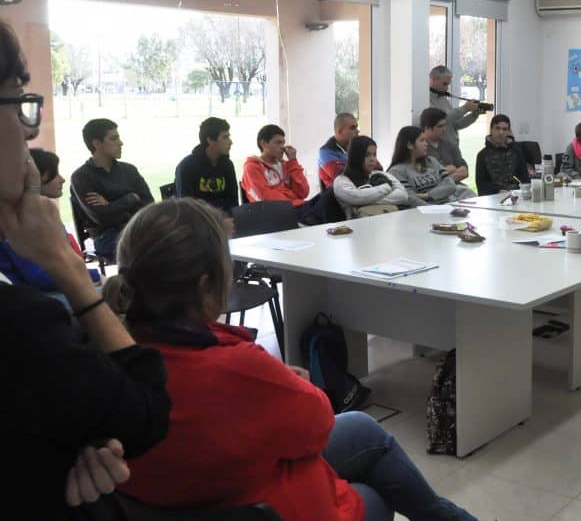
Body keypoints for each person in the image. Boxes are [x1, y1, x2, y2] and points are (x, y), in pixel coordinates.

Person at [112, 198, 476, 521]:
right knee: (374, 492)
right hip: (256, 504)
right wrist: (291, 384)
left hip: (201, 493)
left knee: (362, 429)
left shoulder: (103, 366)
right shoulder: (232, 366)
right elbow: (317, 422)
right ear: (206, 286)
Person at [0, 21, 171, 518]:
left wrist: (58, 444)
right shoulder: (21, 322)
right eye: (16, 99)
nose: (29, 129)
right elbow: (147, 415)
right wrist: (64, 264)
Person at [1, 148, 98, 291]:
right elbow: (39, 278)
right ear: (36, 177)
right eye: (54, 173)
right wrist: (93, 275)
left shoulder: (36, 214)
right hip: (28, 300)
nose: (62, 179)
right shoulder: (18, 219)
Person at [70, 118, 154, 261]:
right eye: (114, 138)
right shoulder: (81, 177)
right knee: (152, 247)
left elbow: (149, 205)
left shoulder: (129, 169)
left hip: (136, 228)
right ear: (96, 144)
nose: (121, 143)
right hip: (107, 236)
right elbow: (100, 218)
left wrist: (110, 205)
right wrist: (131, 198)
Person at [242, 124, 320, 223]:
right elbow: (265, 198)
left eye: (283, 143)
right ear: (264, 143)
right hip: (278, 214)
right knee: (326, 205)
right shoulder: (252, 167)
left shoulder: (286, 165)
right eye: (278, 143)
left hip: (298, 208)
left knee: (331, 194)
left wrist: (293, 161)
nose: (282, 147)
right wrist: (292, 198)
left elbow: (303, 192)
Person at [388, 126, 475, 206]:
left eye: (426, 140)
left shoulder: (432, 161)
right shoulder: (397, 171)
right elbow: (410, 198)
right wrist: (433, 208)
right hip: (425, 213)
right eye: (422, 140)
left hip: (450, 206)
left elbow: (450, 185)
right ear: (410, 145)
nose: (426, 144)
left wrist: (427, 195)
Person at [174, 116, 238, 213]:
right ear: (210, 140)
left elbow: (233, 201)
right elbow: (186, 207)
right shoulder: (187, 167)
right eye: (225, 137)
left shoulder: (227, 165)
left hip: (224, 221)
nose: (230, 142)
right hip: (197, 223)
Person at [333, 136, 408, 218]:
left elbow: (403, 195)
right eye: (367, 155)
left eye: (374, 154)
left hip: (387, 223)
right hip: (359, 227)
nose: (373, 159)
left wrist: (366, 201)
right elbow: (358, 197)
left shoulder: (381, 174)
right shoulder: (341, 181)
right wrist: (386, 187)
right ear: (355, 156)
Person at [475, 114, 530, 196]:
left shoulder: (516, 151)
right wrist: (498, 191)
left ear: (508, 132)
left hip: (515, 195)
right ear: (491, 130)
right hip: (492, 197)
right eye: (497, 128)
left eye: (504, 129)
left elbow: (525, 178)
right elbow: (481, 184)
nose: (501, 132)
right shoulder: (482, 155)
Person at [429, 65, 480, 151]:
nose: (446, 88)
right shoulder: (425, 99)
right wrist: (465, 108)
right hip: (439, 150)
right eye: (444, 84)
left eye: (448, 84)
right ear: (433, 79)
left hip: (453, 148)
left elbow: (457, 124)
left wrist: (474, 115)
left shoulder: (444, 100)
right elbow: (440, 121)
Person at [419, 107, 469, 183]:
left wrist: (441, 177)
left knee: (469, 193)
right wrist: (451, 169)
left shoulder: (451, 145)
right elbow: (422, 179)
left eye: (445, 125)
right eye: (440, 126)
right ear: (427, 128)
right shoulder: (418, 148)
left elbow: (464, 172)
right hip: (433, 192)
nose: (444, 129)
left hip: (457, 189)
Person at [318, 112, 359, 190]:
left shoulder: (357, 147)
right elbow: (342, 176)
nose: (357, 131)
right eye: (353, 128)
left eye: (356, 127)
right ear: (339, 131)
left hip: (358, 192)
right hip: (335, 198)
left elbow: (378, 167)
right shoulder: (326, 151)